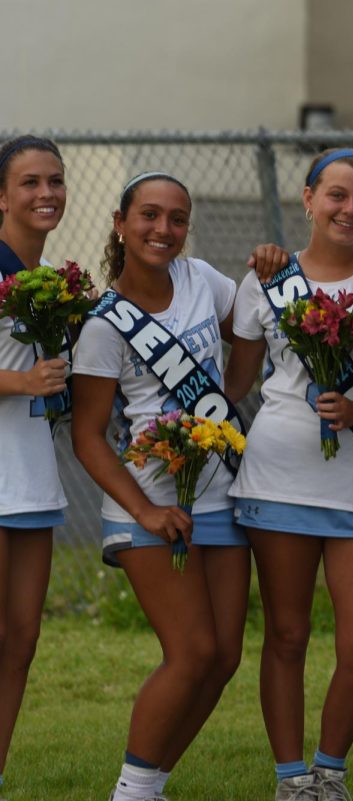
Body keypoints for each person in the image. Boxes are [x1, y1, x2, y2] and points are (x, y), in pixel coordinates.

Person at [71, 172, 286, 801]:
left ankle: (151, 785)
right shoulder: (104, 325)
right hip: (148, 502)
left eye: (177, 218)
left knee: (222, 660)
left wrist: (264, 272)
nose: (163, 230)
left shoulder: (202, 281)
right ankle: (130, 794)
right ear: (120, 222)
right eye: (149, 216)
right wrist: (145, 510)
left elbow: (241, 354)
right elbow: (87, 436)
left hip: (223, 493)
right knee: (191, 652)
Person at [224, 149, 353, 801]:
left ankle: (330, 770)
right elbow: (237, 383)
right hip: (276, 476)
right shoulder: (266, 279)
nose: (349, 210)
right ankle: (289, 778)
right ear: (307, 199)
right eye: (336, 195)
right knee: (288, 633)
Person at [0, 135, 68, 801]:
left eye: (54, 180)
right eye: (29, 182)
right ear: (1, 195)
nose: (46, 192)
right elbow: (27, 377)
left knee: (20, 640)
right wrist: (22, 383)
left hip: (32, 474)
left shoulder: (52, 281)